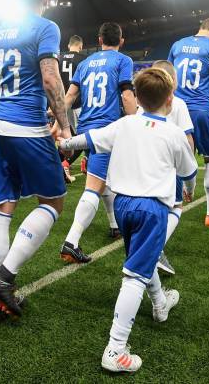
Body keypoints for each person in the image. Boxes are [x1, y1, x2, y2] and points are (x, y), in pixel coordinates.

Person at [58, 67, 198, 373]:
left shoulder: (124, 124)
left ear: (136, 97)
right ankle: (115, 349)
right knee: (134, 276)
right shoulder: (173, 134)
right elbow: (190, 174)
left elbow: (88, 139)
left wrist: (62, 143)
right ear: (170, 99)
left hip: (123, 206)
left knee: (140, 261)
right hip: (152, 209)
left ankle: (160, 304)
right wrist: (189, 191)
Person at [0, 0, 70, 320]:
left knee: (2, 207)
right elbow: (49, 77)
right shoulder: (46, 27)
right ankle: (4, 279)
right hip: (26, 124)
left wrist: (6, 89)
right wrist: (65, 125)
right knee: (54, 200)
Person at [58, 22, 137, 263]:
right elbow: (126, 94)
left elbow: (69, 96)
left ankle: (114, 225)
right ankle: (71, 242)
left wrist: (56, 123)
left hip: (86, 128)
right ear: (121, 41)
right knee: (94, 185)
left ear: (99, 40)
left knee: (103, 178)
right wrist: (136, 123)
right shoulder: (123, 61)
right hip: (107, 130)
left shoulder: (84, 63)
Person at [168, 17, 209, 227]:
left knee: (175, 160)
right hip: (201, 109)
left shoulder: (177, 44)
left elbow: (166, 75)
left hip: (176, 108)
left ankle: (179, 198)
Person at [137, 60, 195, 275]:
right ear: (174, 82)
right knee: (175, 207)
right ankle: (157, 249)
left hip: (144, 162)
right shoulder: (178, 103)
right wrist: (189, 167)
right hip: (170, 165)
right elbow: (188, 137)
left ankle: (145, 245)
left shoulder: (141, 101)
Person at [59, 35, 87, 183]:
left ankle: (60, 164)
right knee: (82, 138)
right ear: (80, 46)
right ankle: (64, 164)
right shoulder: (83, 59)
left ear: (69, 45)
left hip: (62, 102)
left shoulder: (59, 57)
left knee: (67, 135)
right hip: (77, 102)